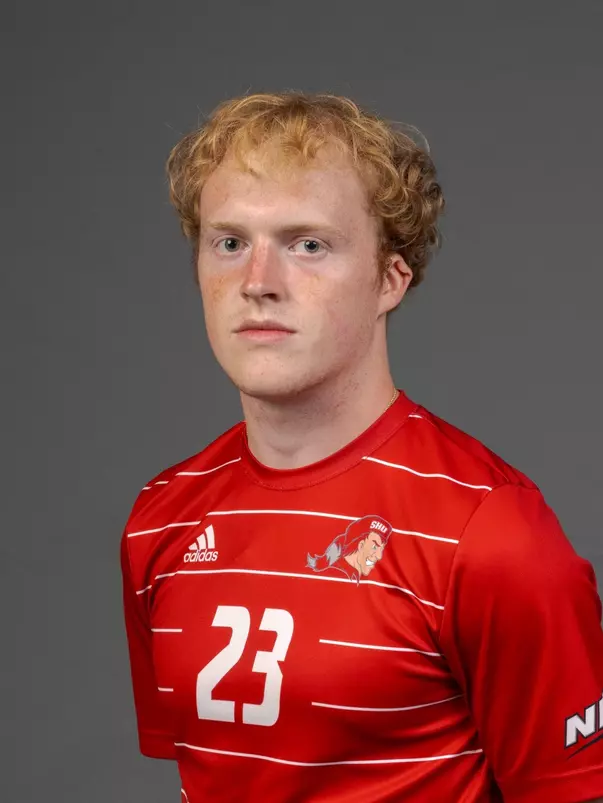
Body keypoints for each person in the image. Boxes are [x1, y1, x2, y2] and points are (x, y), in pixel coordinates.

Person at [120, 91, 603, 803]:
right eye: (230, 243)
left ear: (389, 279)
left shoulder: (491, 533)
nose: (257, 283)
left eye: (308, 245)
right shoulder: (161, 517)